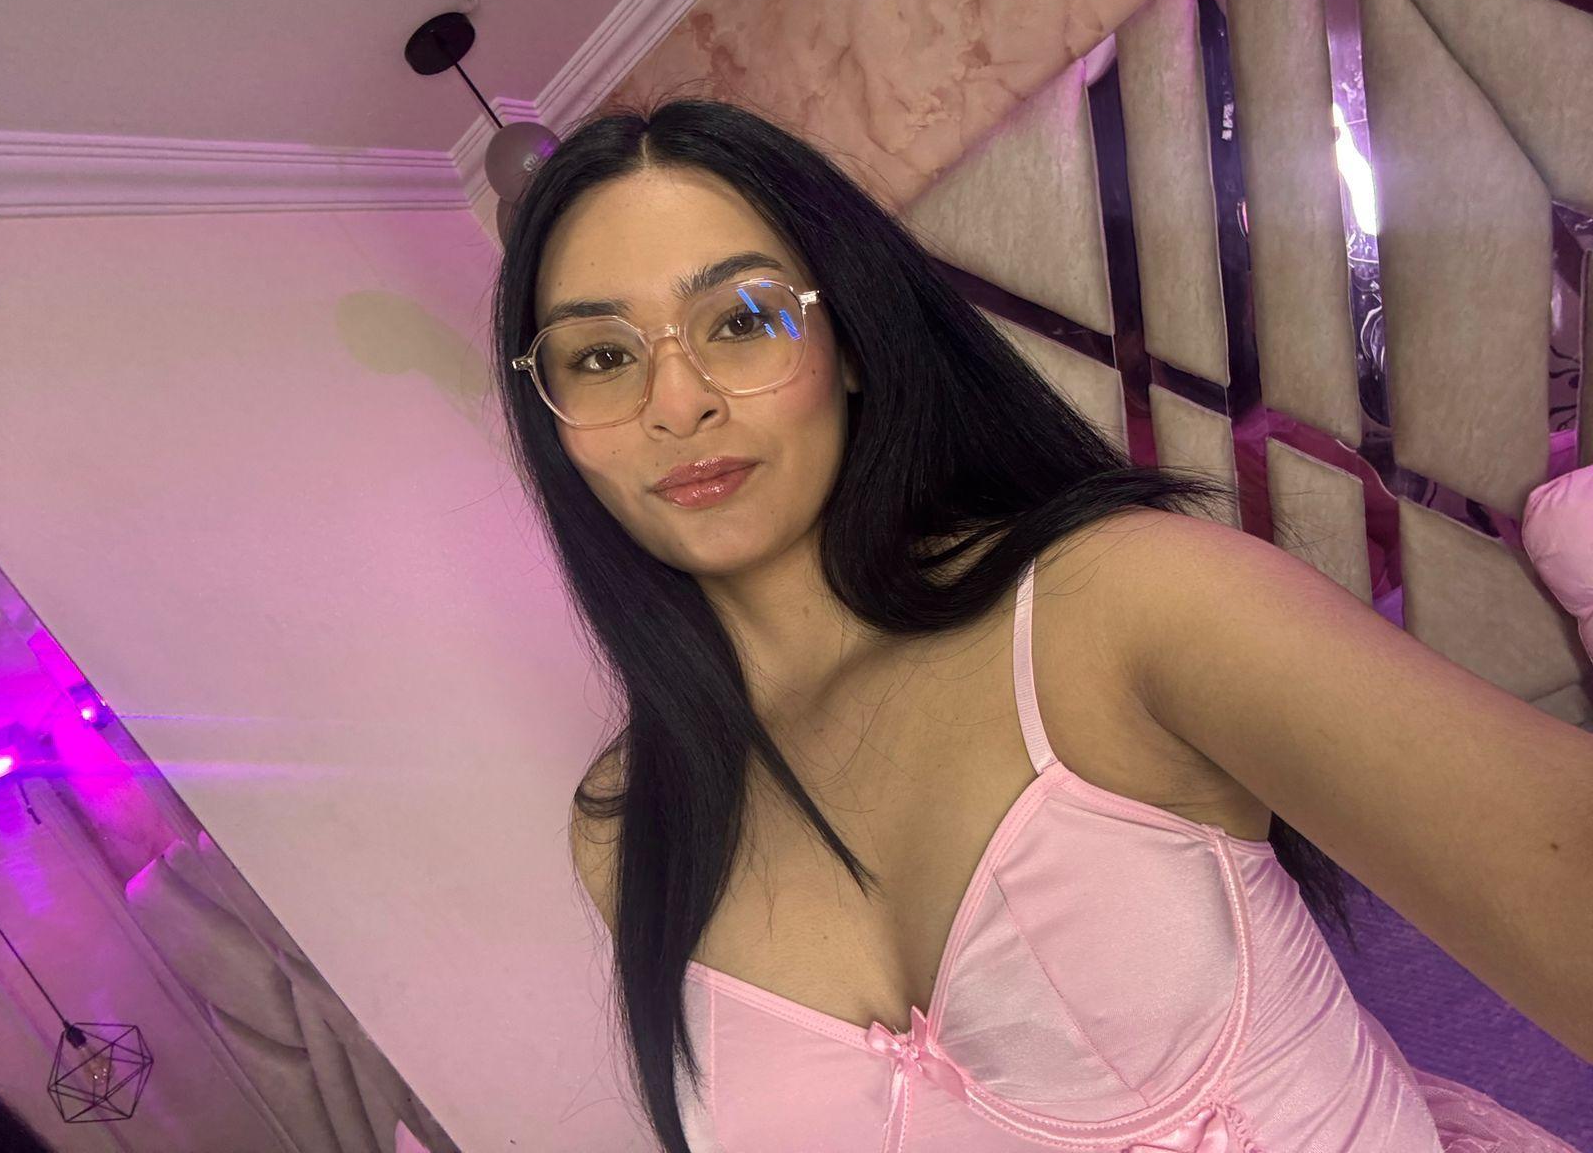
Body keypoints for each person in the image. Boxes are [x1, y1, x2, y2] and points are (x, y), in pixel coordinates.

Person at [492, 96, 1586, 1151]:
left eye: (742, 321)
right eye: (601, 356)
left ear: (850, 343)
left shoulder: (1121, 602)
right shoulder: (624, 828)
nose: (676, 402)